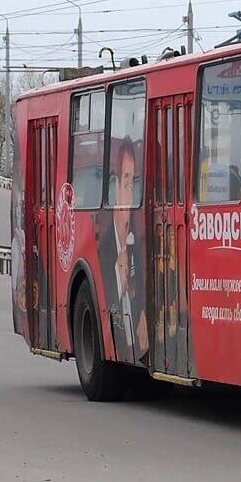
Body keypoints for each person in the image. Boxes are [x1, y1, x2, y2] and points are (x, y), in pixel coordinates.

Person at [97, 137, 148, 366]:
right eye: (127, 185)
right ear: (115, 188)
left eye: (135, 186)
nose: (131, 197)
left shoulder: (138, 246)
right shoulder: (103, 253)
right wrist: (121, 279)